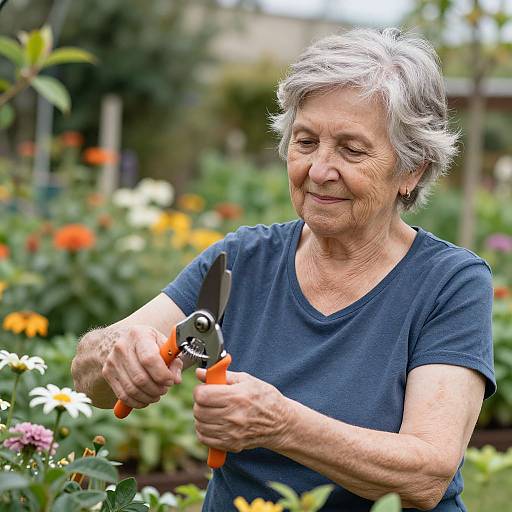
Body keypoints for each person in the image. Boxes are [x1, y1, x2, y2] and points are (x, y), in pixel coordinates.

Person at [71, 28, 495, 512]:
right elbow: (88, 374)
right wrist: (118, 355)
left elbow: (427, 474)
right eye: (306, 140)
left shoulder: (450, 283)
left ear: (412, 169)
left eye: (352, 150)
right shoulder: (242, 261)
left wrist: (283, 425)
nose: (318, 169)